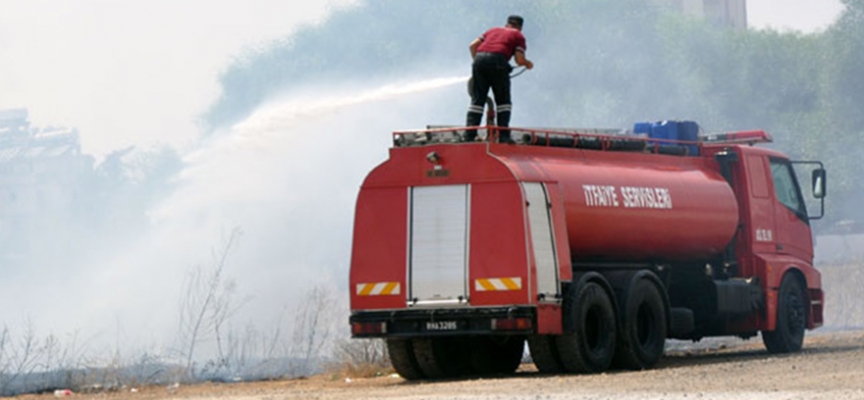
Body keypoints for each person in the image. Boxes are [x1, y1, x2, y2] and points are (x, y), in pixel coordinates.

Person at [465, 15, 534, 143]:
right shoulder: (518, 35)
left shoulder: (492, 30)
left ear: (507, 23)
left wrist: (480, 62)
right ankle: (503, 136)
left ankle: (469, 135)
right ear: (520, 27)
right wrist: (527, 63)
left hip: (479, 60)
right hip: (498, 62)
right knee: (503, 102)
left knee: (477, 99)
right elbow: (519, 60)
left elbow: (472, 46)